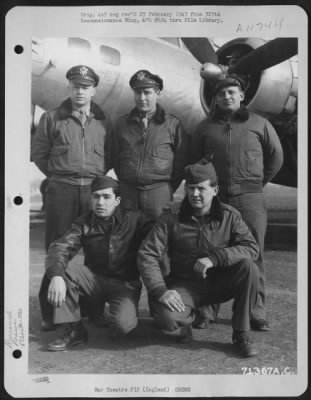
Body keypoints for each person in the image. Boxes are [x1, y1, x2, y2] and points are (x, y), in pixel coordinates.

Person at [138, 161, 260, 358]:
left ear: (215, 190)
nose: (195, 194)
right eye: (191, 188)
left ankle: (242, 333)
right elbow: (148, 254)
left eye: (201, 189)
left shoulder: (229, 216)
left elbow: (252, 248)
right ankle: (185, 321)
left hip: (220, 283)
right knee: (167, 319)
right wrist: (160, 290)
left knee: (249, 268)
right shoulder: (171, 217)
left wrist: (217, 258)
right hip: (185, 285)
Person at [190, 74, 284, 331]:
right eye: (221, 93)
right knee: (210, 250)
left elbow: (276, 158)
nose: (227, 96)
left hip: (249, 199)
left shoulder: (260, 124)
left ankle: (255, 311)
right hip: (216, 200)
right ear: (216, 98)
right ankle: (206, 310)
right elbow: (195, 160)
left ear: (242, 95)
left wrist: (255, 183)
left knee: (254, 253)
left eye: (232, 92)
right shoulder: (204, 127)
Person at [39, 176, 150, 351]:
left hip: (125, 284)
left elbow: (162, 236)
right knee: (61, 269)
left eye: (106, 197)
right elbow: (60, 248)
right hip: (94, 281)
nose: (100, 202)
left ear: (117, 200)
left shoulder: (135, 218)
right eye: (95, 196)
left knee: (121, 328)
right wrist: (56, 276)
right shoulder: (83, 222)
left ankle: (101, 312)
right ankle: (74, 330)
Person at [31, 65, 112, 251]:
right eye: (75, 87)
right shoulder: (51, 118)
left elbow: (111, 154)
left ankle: (87, 281)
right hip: (61, 190)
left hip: (94, 190)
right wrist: (59, 172)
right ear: (69, 88)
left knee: (95, 244)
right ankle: (54, 280)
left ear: (93, 90)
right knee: (58, 244)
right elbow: (39, 153)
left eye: (85, 87)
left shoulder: (105, 121)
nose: (80, 91)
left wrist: (96, 172)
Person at [112, 69, 189, 221]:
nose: (141, 98)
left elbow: (181, 163)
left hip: (158, 194)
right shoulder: (122, 124)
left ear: (157, 92)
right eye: (137, 93)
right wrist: (128, 181)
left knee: (157, 239)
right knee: (127, 238)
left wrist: (165, 188)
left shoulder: (173, 125)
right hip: (128, 194)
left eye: (147, 92)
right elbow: (115, 158)